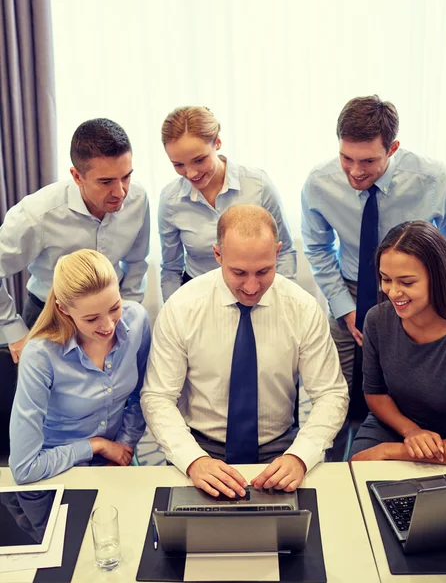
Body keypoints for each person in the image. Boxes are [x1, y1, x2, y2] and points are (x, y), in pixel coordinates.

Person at [141, 205, 348, 498]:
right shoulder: (182, 307)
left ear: (278, 253)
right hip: (199, 446)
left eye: (263, 271)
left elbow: (331, 393)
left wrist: (300, 455)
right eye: (238, 272)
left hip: (281, 448)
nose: (252, 287)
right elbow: (158, 396)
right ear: (217, 255)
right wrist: (193, 460)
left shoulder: (302, 308)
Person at [301, 95, 446, 393]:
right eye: (346, 158)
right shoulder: (319, 183)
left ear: (392, 149)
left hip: (421, 293)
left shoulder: (434, 180)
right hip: (351, 290)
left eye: (368, 161)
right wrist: (344, 307)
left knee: (410, 389)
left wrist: (444, 297)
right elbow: (317, 248)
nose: (355, 171)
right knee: (334, 390)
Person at [0, 118, 150, 364]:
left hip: (109, 317)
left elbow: (136, 262)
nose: (121, 192)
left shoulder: (138, 198)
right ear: (77, 176)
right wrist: (13, 331)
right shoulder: (36, 214)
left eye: (126, 177)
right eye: (106, 181)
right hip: (51, 319)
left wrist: (125, 315)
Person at [9, 249, 151, 484]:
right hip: (56, 467)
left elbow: (141, 396)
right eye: (91, 318)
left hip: (117, 456)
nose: (108, 326)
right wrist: (95, 446)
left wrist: (123, 445)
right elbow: (25, 468)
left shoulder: (136, 320)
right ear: (64, 309)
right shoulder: (40, 355)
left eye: (114, 308)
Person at [350, 221, 446, 465]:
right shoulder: (378, 319)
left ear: (439, 278)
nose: (392, 292)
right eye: (386, 279)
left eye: (407, 282)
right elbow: (375, 393)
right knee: (356, 470)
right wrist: (411, 432)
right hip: (393, 424)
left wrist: (393, 451)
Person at [158, 106, 297, 301]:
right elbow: (171, 269)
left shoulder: (258, 185)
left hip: (258, 292)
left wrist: (281, 301)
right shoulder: (170, 200)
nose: (191, 173)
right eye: (178, 165)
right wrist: (173, 313)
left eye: (199, 160)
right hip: (199, 297)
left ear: (217, 143)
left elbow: (285, 253)